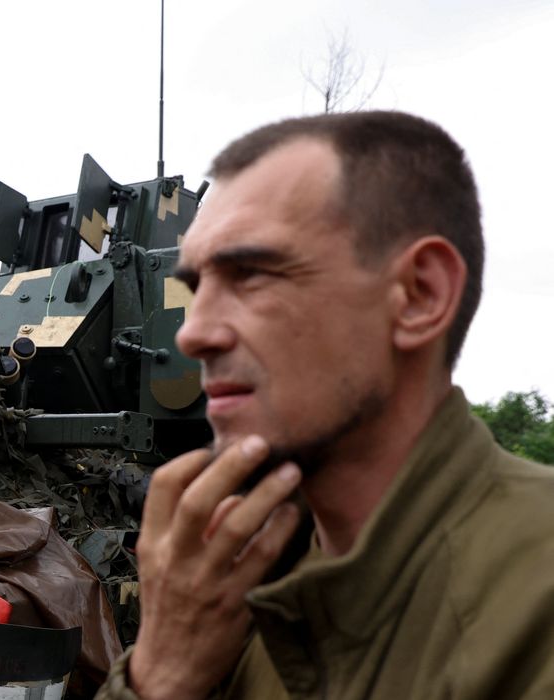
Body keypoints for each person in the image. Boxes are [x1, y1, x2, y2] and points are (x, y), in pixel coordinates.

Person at [96, 111, 554, 699]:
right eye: (196, 286)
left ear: (419, 295)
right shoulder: (228, 601)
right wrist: (159, 675)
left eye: (252, 274)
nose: (192, 334)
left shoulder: (532, 601)